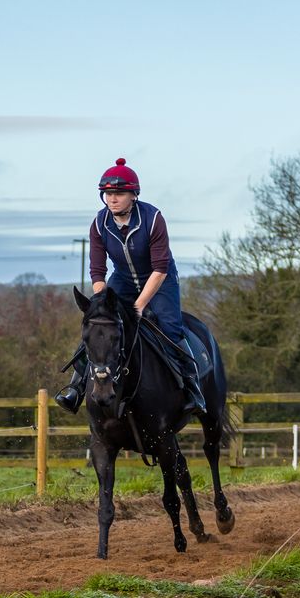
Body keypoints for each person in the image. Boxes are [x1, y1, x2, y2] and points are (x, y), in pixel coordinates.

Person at [55, 158, 204, 415]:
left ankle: (193, 388)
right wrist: (102, 306)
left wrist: (138, 307)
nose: (112, 199)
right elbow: (98, 271)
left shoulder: (153, 218)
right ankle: (76, 388)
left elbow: (160, 268)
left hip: (160, 279)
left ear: (133, 195)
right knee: (97, 326)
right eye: (108, 194)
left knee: (170, 328)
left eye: (119, 193)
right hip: (122, 279)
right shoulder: (99, 224)